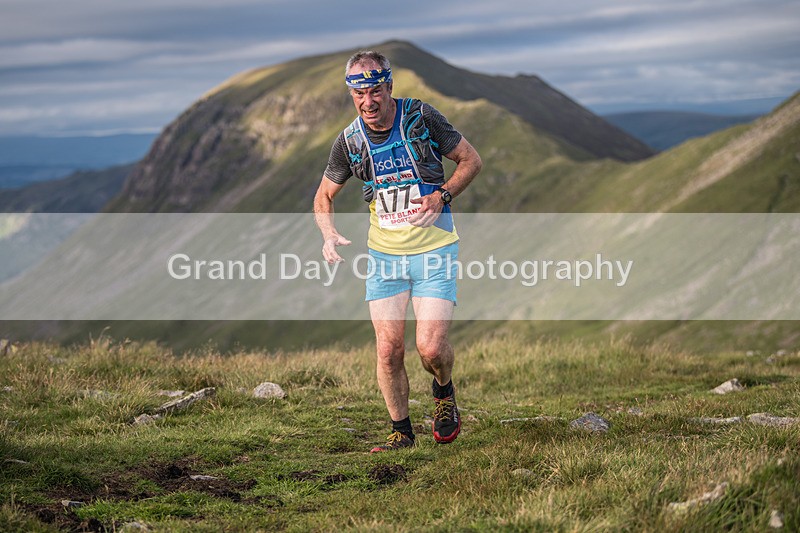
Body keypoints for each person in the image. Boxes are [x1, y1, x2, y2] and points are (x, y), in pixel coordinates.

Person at [313, 50, 482, 452]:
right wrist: (327, 232)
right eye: (359, 94)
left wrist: (441, 195)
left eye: (374, 91)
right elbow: (324, 195)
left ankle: (443, 392)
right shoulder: (350, 141)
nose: (368, 102)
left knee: (431, 348)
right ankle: (401, 433)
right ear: (351, 94)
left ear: (389, 86)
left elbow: (470, 160)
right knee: (388, 349)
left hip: (434, 249)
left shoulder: (421, 118)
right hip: (385, 257)